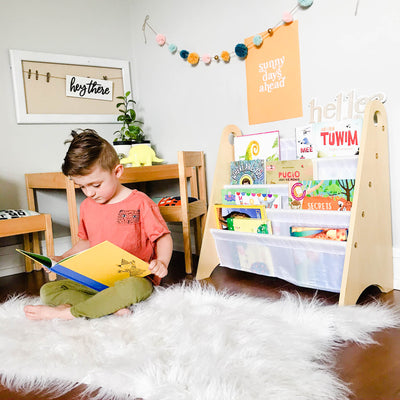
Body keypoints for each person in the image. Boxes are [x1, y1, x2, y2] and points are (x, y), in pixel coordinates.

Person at [24, 129, 172, 320]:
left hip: (134, 279)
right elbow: (86, 241)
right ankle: (109, 306)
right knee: (49, 290)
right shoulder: (87, 206)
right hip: (98, 279)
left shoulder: (140, 202)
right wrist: (62, 258)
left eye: (95, 185)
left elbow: (163, 236)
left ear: (117, 171)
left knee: (133, 288)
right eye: (82, 187)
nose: (89, 193)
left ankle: (70, 313)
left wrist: (161, 262)